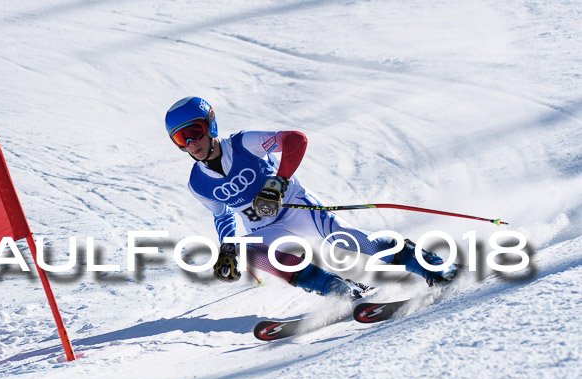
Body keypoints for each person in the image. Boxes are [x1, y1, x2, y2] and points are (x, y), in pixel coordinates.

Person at [164, 96, 460, 297]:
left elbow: (295, 140)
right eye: (180, 139)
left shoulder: (244, 144)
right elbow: (221, 214)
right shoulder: (198, 183)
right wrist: (227, 247)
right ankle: (334, 289)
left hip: (296, 207)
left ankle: (430, 264)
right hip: (264, 228)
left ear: (210, 125)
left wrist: (278, 182)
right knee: (248, 250)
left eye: (195, 132)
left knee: (348, 240)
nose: (191, 143)